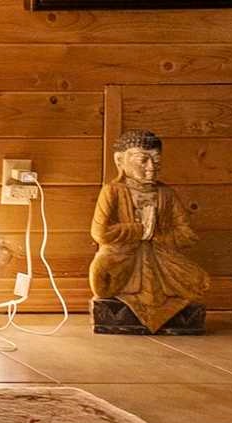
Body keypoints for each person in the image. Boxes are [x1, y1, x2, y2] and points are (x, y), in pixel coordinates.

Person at [87, 131, 211, 335]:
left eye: (156, 160)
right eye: (143, 160)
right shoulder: (113, 191)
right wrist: (138, 230)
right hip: (122, 257)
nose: (151, 167)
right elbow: (100, 233)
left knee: (200, 282)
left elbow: (188, 235)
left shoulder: (166, 194)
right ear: (120, 160)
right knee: (101, 280)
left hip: (161, 257)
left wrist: (157, 234)